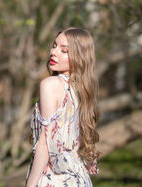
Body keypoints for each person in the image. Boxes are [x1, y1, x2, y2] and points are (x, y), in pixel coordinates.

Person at [26, 27, 99, 187]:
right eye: (54, 46)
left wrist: (30, 185)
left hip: (53, 177)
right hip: (79, 178)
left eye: (64, 50)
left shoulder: (50, 85)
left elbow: (45, 143)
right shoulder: (82, 90)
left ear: (80, 57)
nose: (53, 52)